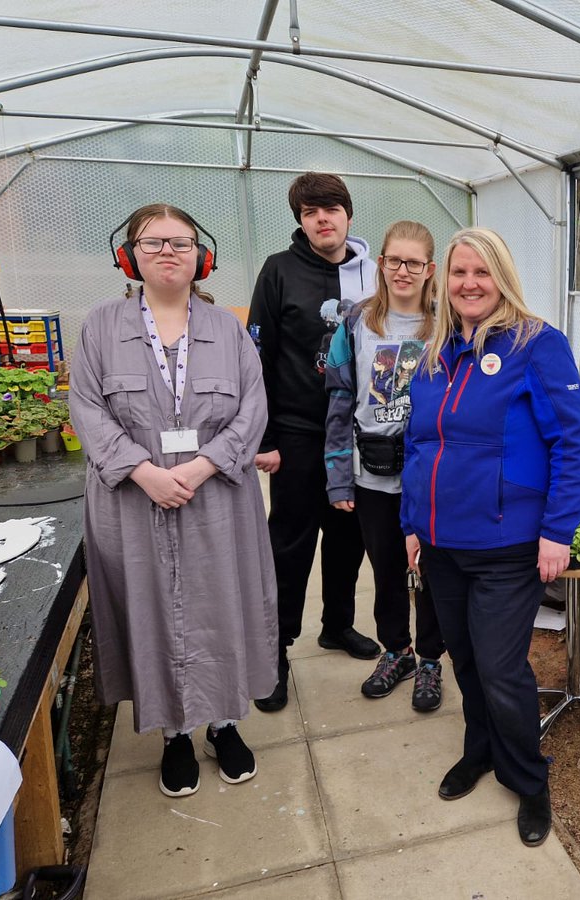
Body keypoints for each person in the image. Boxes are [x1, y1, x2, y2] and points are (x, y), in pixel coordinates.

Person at [70, 203, 277, 798]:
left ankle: (224, 723)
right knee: (153, 611)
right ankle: (175, 734)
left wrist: (207, 463)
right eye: (152, 241)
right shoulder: (101, 327)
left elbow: (253, 408)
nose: (167, 251)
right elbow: (86, 407)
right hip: (135, 503)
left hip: (217, 497)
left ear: (201, 257)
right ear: (128, 254)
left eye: (180, 242)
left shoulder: (228, 330)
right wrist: (142, 471)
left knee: (222, 606)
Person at [400, 227, 580, 846]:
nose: (469, 284)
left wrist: (558, 531)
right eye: (459, 273)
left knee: (503, 668)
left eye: (482, 272)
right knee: (464, 656)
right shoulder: (434, 352)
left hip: (507, 543)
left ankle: (529, 779)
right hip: (441, 541)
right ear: (443, 280)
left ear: (501, 277)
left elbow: (571, 442)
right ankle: (478, 750)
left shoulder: (537, 345)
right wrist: (411, 523)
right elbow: (419, 444)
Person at [248, 173, 380, 713]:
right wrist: (266, 435)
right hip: (299, 433)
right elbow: (256, 357)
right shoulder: (279, 271)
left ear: (348, 213)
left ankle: (338, 625)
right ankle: (275, 652)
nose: (322, 218)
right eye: (310, 211)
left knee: (349, 537)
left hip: (357, 435)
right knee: (291, 544)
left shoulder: (373, 273)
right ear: (300, 220)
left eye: (330, 208)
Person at [324, 220, 446, 711]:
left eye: (413, 263)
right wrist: (337, 477)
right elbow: (338, 400)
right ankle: (398, 651)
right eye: (393, 260)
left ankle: (433, 660)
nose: (402, 270)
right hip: (371, 473)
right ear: (381, 263)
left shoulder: (447, 324)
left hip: (432, 477)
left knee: (433, 570)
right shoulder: (355, 322)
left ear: (429, 270)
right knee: (387, 568)